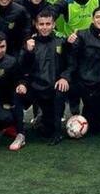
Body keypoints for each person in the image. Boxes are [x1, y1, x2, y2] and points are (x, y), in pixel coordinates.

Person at [16, 9, 73, 146]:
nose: (45, 27)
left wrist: (65, 77)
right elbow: (22, 67)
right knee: (16, 95)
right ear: (36, 25)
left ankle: (57, 133)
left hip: (53, 88)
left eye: (48, 24)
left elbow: (71, 64)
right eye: (41, 24)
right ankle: (19, 133)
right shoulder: (30, 43)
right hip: (34, 87)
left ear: (53, 25)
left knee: (47, 130)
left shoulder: (61, 41)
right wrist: (28, 52)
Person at [68, 7, 100, 135]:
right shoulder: (81, 34)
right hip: (80, 81)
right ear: (93, 20)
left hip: (99, 82)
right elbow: (71, 56)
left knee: (94, 128)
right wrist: (69, 42)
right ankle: (74, 105)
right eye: (98, 17)